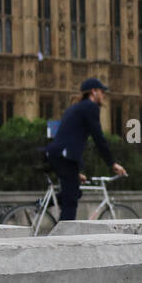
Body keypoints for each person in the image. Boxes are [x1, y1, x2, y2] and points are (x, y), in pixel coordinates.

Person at [43, 77, 127, 221]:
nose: (104, 95)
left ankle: (41, 205)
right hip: (63, 156)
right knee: (71, 203)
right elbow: (98, 138)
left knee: (75, 192)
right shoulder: (90, 107)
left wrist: (77, 170)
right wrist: (112, 163)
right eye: (102, 92)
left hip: (58, 155)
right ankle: (63, 239)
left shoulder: (76, 108)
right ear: (93, 92)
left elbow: (74, 139)